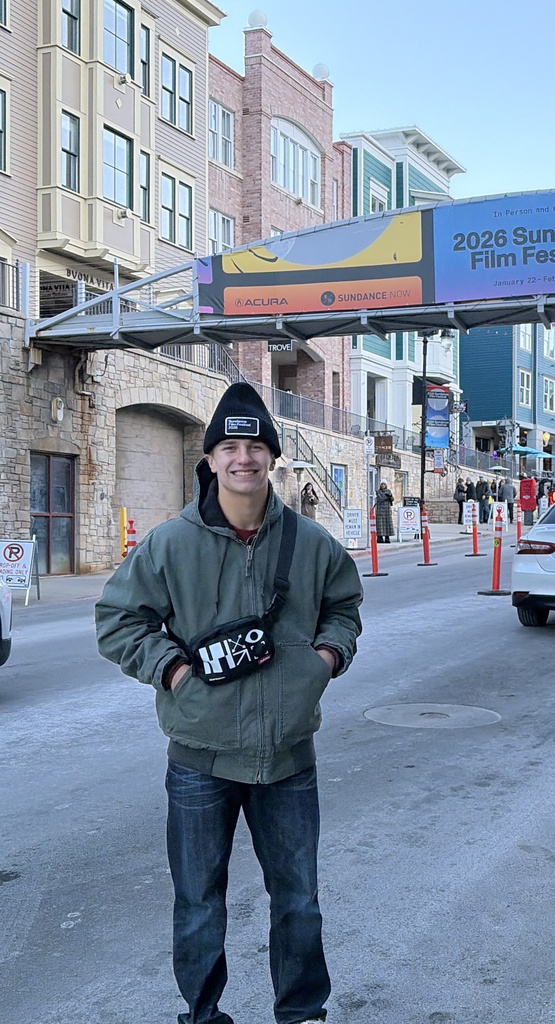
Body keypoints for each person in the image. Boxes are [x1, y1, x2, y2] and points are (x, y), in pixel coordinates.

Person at [95, 381, 363, 1024]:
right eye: (230, 447)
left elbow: (345, 608)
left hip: (288, 758)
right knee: (198, 901)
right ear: (210, 460)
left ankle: (301, 1012)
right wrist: (174, 671)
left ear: (272, 457)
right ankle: (203, 1013)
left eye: (255, 446)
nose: (244, 458)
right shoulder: (169, 544)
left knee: (298, 897)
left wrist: (325, 660)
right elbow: (117, 622)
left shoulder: (312, 543)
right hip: (200, 759)